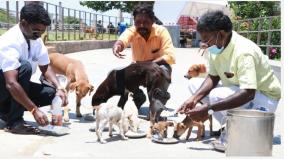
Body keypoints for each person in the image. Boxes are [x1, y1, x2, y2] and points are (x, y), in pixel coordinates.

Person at [177, 10, 280, 148]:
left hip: (263, 98)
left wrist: (208, 110)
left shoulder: (244, 52)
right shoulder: (217, 47)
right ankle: (233, 126)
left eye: (206, 39)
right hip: (239, 90)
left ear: (220, 34)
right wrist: (194, 99)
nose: (203, 43)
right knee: (194, 85)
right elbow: (213, 77)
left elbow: (248, 93)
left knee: (216, 95)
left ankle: (238, 131)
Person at [0, 3, 68, 134]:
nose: (39, 35)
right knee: (24, 67)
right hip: (4, 88)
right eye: (36, 31)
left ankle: (6, 112)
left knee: (51, 93)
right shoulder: (9, 41)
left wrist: (59, 87)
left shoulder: (35, 38)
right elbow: (11, 83)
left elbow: (45, 67)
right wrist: (33, 110)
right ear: (24, 23)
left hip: (12, 88)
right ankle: (15, 122)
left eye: (42, 32)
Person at [112, 3, 175, 112]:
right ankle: (138, 97)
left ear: (152, 21)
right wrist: (118, 46)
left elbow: (170, 56)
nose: (141, 25)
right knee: (117, 75)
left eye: (145, 22)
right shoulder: (132, 31)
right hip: (138, 68)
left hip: (157, 67)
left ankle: (156, 107)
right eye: (137, 22)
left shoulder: (161, 31)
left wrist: (149, 64)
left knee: (163, 71)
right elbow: (123, 39)